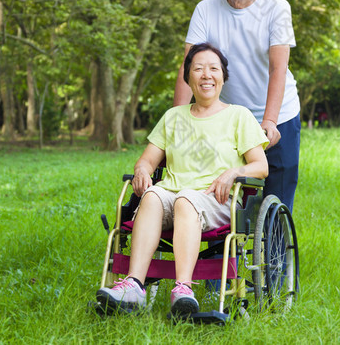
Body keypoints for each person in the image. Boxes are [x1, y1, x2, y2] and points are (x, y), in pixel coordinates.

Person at [96, 43, 269, 316]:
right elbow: (147, 160)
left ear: (223, 76)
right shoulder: (172, 117)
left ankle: (183, 289)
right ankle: (133, 286)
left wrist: (234, 172)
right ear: (188, 77)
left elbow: (261, 166)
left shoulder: (239, 116)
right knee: (152, 196)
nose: (206, 75)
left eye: (213, 68)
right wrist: (142, 170)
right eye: (198, 69)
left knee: (186, 198)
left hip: (215, 200)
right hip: (172, 197)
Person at [174, 0, 300, 214]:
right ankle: (227, 254)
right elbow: (189, 67)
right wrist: (177, 119)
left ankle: (275, 255)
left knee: (276, 198)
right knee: (222, 193)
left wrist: (269, 120)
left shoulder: (276, 7)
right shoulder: (205, 9)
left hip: (280, 115)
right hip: (228, 118)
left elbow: (277, 68)